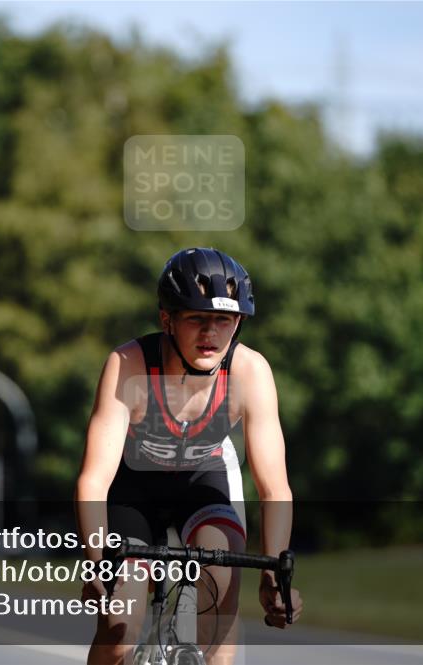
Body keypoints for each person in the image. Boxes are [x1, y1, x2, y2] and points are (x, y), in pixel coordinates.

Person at [76, 248, 303, 665]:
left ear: (238, 323)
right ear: (167, 320)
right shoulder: (128, 365)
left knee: (221, 592)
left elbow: (275, 487)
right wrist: (95, 566)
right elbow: (94, 479)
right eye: (197, 318)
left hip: (203, 480)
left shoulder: (251, 372)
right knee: (119, 624)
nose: (210, 333)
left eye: (224, 320)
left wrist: (274, 576)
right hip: (134, 489)